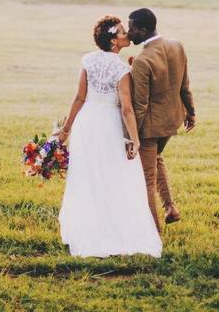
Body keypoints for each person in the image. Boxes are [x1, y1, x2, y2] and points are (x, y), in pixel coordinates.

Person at [56, 16, 162, 258]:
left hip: (86, 124)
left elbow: (79, 98)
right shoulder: (122, 69)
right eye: (123, 32)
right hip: (109, 126)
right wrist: (133, 139)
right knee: (114, 176)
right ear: (115, 41)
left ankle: (87, 227)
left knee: (88, 176)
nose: (128, 35)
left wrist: (66, 129)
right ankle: (113, 229)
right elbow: (126, 108)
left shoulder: (88, 60)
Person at [127, 8, 196, 232]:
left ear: (144, 30)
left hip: (149, 128)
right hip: (172, 121)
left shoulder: (143, 60)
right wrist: (191, 112)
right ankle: (170, 207)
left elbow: (140, 105)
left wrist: (132, 136)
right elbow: (184, 85)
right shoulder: (177, 46)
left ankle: (152, 231)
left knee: (147, 178)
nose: (129, 33)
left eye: (133, 29)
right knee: (156, 158)